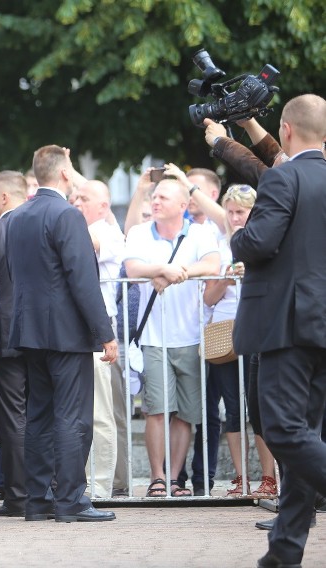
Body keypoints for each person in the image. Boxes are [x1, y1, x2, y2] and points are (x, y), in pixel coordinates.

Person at [229, 94, 326, 568]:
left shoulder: (284, 177)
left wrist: (236, 238)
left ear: (286, 129)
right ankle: (284, 552)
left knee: (284, 432)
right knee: (304, 432)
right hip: (320, 323)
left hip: (287, 323)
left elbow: (259, 242)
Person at [6, 145, 117, 523]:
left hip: (29, 331)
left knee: (39, 417)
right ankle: (70, 499)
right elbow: (83, 280)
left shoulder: (17, 217)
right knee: (73, 418)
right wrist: (105, 333)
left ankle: (38, 500)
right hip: (66, 333)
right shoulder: (68, 216)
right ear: (65, 174)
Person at [123, 177, 220, 498]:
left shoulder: (201, 232)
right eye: (154, 196)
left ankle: (175, 479)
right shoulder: (139, 232)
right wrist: (163, 270)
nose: (155, 201)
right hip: (153, 337)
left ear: (182, 205)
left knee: (185, 414)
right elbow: (133, 268)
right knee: (156, 410)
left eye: (163, 197)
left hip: (191, 337)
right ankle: (157, 477)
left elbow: (213, 263)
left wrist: (180, 273)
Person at [201, 184, 277, 498]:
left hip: (259, 330)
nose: (233, 218)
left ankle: (269, 477)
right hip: (225, 333)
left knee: (259, 406)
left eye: (240, 212)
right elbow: (208, 298)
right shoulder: (219, 245)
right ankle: (241, 477)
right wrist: (227, 277)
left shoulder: (265, 240)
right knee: (233, 409)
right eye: (230, 211)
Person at [73, 179, 124, 498]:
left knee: (100, 411)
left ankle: (102, 484)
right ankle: (77, 480)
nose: (76, 202)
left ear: (103, 207)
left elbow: (86, 240)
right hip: (74, 330)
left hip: (98, 328)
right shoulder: (76, 227)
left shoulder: (107, 233)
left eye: (84, 198)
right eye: (74, 197)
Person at [0, 170, 30, 516]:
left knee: (11, 419)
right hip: (44, 336)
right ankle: (50, 486)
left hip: (4, 338)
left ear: (3, 197)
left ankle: (18, 495)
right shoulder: (44, 226)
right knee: (44, 413)